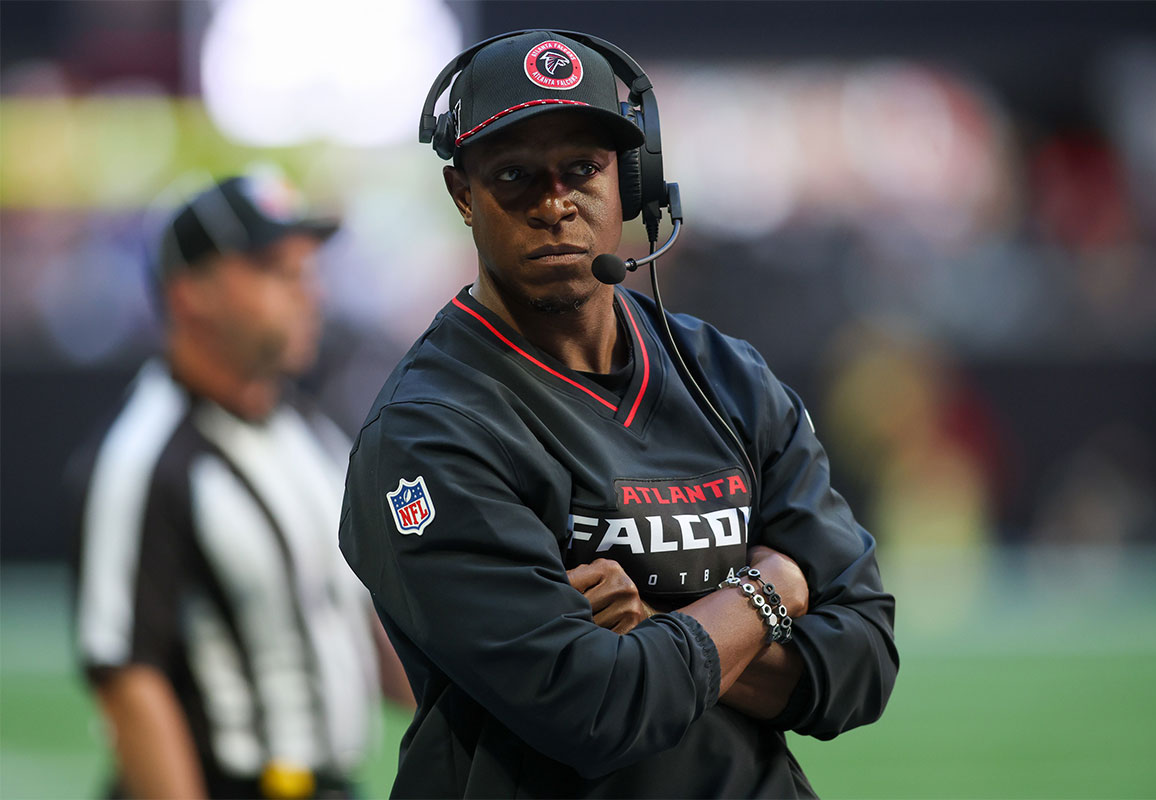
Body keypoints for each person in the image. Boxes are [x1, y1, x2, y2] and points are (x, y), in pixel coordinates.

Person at [339, 30, 898, 798]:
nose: (554, 203)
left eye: (582, 169)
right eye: (514, 176)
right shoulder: (426, 431)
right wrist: (767, 592)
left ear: (633, 182)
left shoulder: (729, 376)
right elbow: (597, 709)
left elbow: (864, 660)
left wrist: (658, 624)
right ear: (463, 195)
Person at [71, 171, 412, 800]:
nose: (308, 292)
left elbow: (363, 616)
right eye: (276, 271)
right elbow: (127, 678)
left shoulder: (307, 431)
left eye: (307, 271)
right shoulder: (142, 456)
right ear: (190, 293)